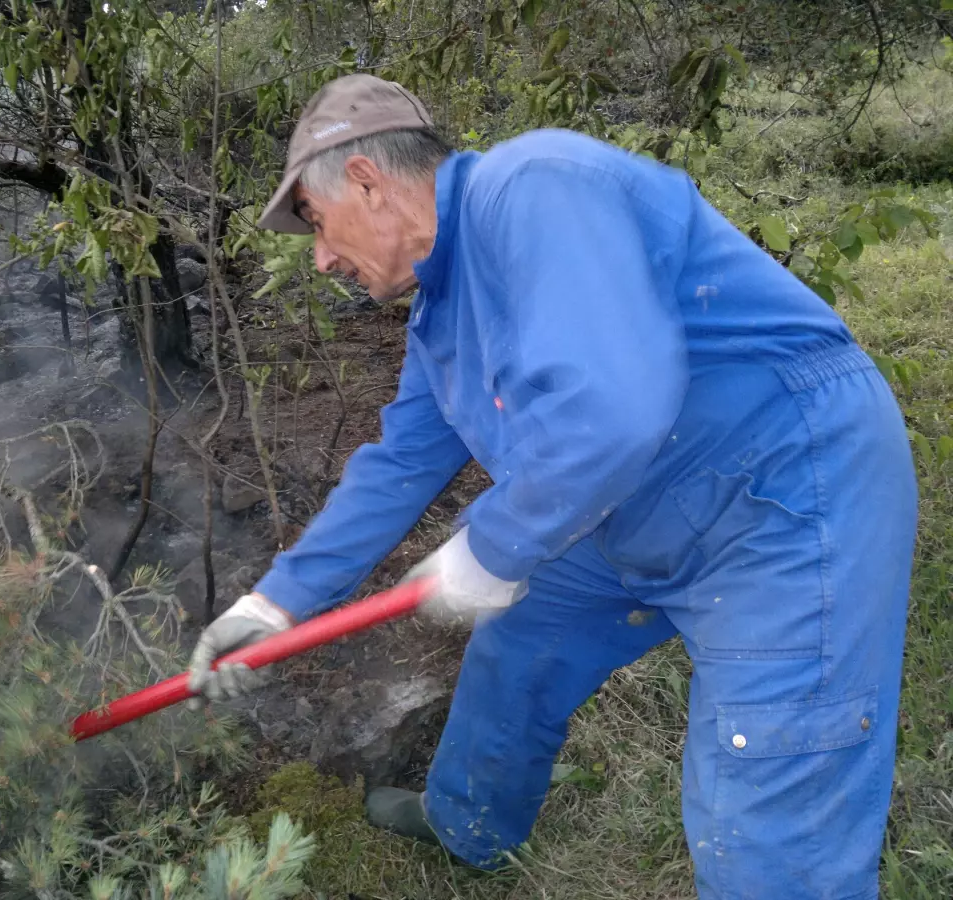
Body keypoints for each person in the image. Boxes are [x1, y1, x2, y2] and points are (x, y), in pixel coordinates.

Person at [185, 74, 917, 898]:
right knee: (518, 646)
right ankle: (469, 824)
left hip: (783, 487)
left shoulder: (533, 187)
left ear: (365, 181)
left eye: (315, 225)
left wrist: (496, 545)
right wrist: (274, 604)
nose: (318, 257)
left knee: (769, 790)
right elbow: (398, 464)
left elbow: (615, 408)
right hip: (639, 501)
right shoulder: (443, 310)